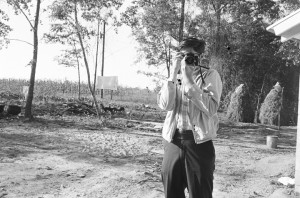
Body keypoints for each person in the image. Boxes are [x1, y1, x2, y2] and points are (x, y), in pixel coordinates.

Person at [157, 37, 223, 198]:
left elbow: (211, 108)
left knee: (200, 193)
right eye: (183, 54)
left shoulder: (210, 75)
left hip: (199, 143)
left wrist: (189, 80)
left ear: (199, 56)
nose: (187, 58)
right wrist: (173, 74)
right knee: (172, 192)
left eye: (190, 55)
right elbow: (165, 105)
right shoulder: (174, 78)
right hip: (173, 140)